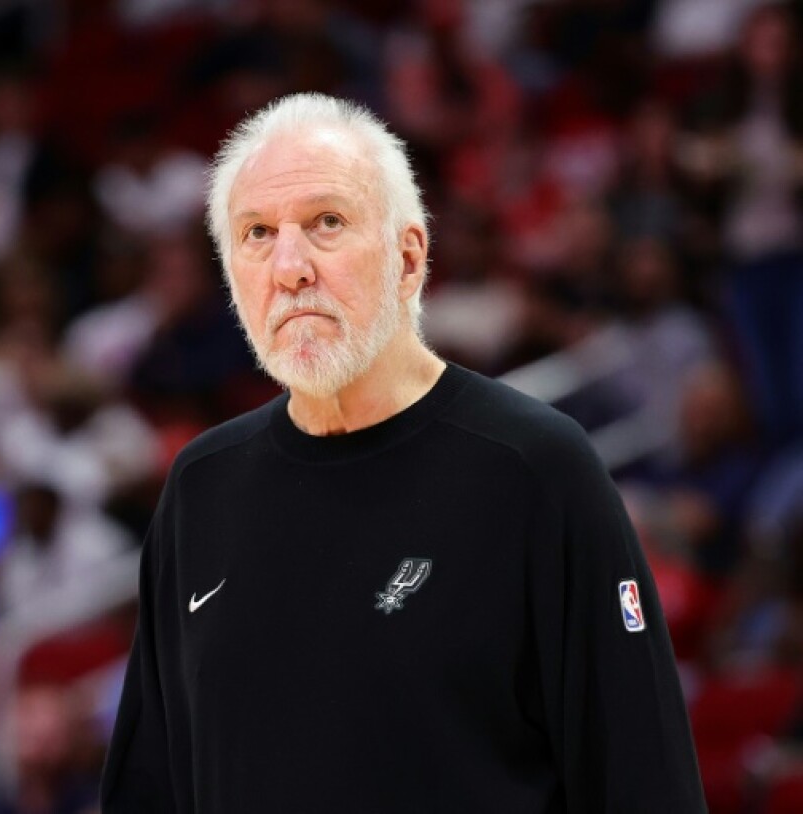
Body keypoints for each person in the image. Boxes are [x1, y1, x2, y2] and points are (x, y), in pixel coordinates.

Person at [101, 93, 705, 812]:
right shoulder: (201, 487)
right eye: (256, 233)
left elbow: (641, 777)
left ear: (409, 257)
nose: (289, 267)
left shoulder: (536, 467)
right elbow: (151, 788)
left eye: (326, 223)